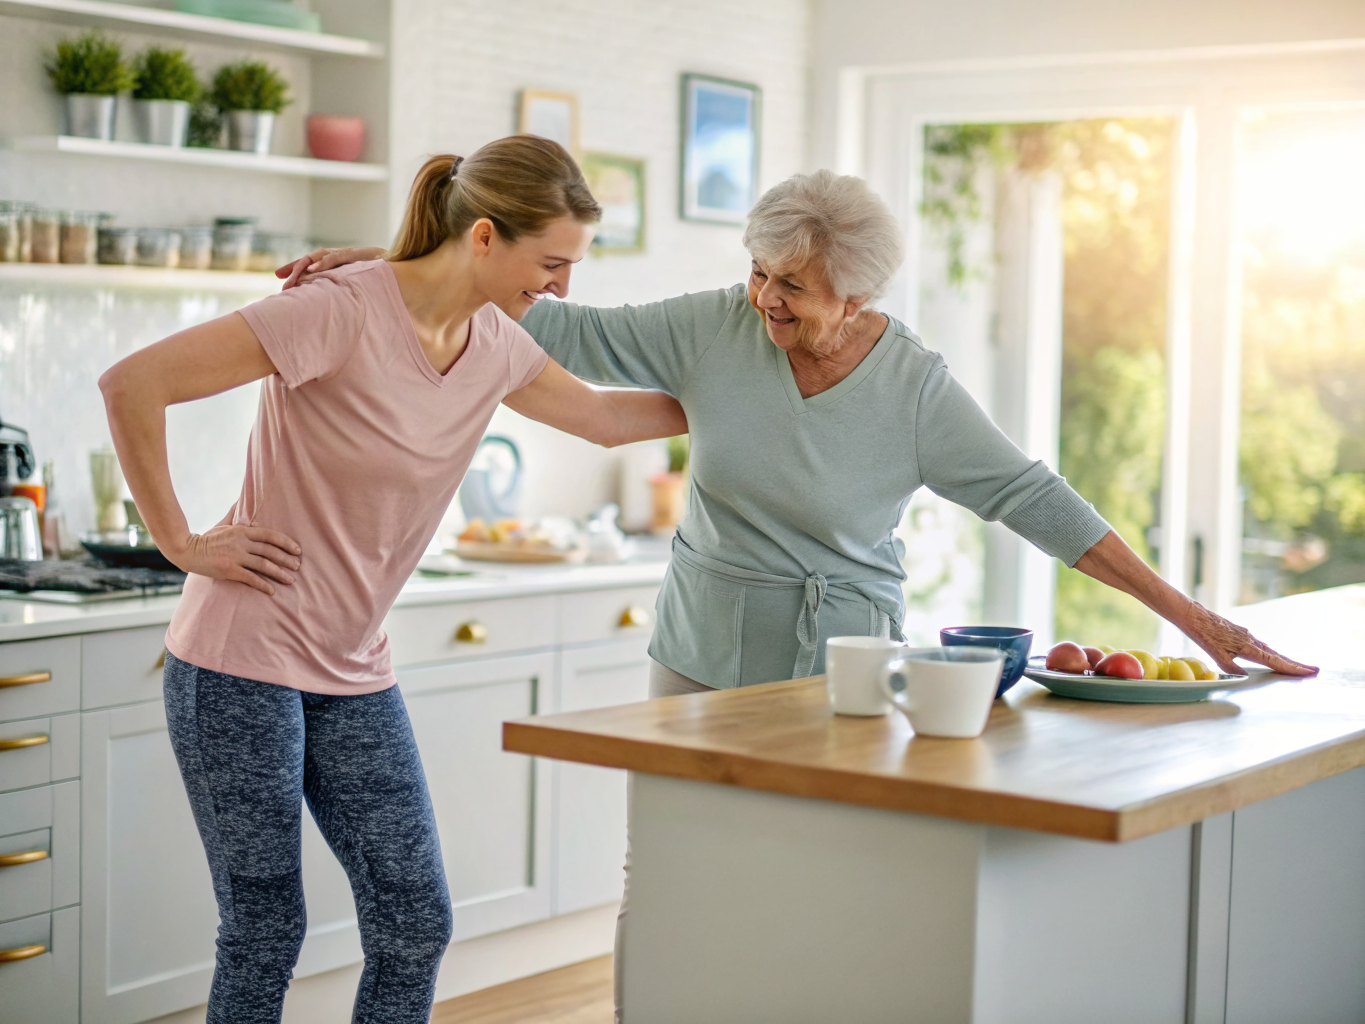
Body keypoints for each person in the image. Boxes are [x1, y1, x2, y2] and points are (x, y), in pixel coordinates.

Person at [282, 167, 1314, 1022]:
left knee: (823, 869)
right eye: (760, 271)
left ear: (858, 300)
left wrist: (1199, 619)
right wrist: (386, 272)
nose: (767, 297)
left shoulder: (913, 386)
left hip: (846, 662)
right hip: (699, 642)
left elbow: (1029, 496)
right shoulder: (718, 327)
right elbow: (565, 327)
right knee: (674, 868)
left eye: (796, 288)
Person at [98, 136, 687, 1024]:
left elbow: (604, 418)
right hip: (238, 661)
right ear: (484, 236)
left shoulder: (495, 341)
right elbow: (133, 382)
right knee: (265, 929)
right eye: (552, 263)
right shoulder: (338, 309)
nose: (562, 287)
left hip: (352, 669)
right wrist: (178, 541)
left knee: (415, 921)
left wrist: (765, 390)